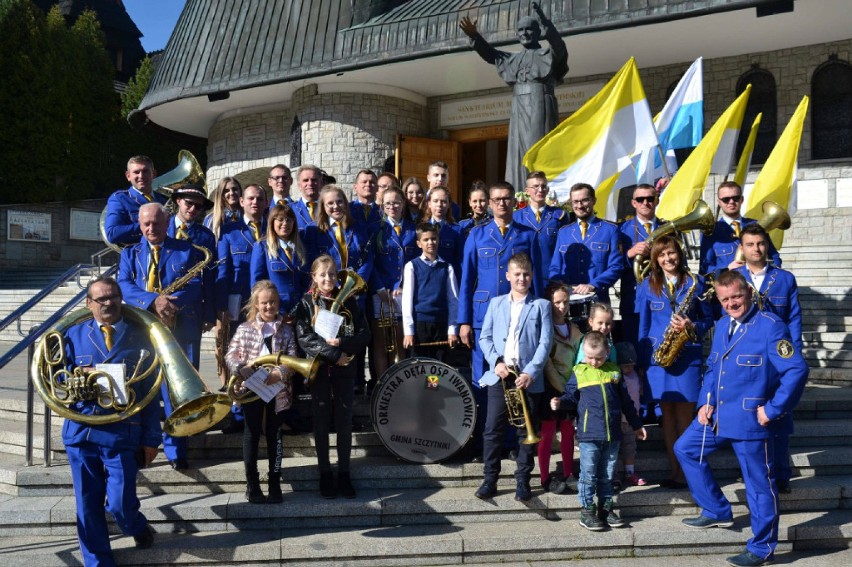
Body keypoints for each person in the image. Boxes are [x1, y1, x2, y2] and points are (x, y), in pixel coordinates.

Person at [674, 270, 808, 567]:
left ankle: (762, 547)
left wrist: (773, 410)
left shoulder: (771, 327)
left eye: (736, 296)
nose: (732, 303)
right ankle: (716, 510)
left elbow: (796, 370)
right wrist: (704, 403)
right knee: (685, 449)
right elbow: (712, 368)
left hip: (752, 420)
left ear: (748, 291)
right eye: (725, 299)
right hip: (719, 414)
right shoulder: (722, 326)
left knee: (759, 485)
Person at [61, 276, 159, 565]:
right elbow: (55, 383)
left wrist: (151, 439)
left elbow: (152, 394)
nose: (108, 303)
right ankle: (98, 562)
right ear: (88, 304)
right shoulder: (71, 335)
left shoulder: (142, 335)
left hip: (122, 433)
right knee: (88, 506)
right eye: (101, 299)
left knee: (120, 504)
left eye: (113, 296)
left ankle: (136, 525)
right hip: (82, 432)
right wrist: (81, 378)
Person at [118, 202, 207, 470]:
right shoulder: (130, 253)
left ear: (167, 223)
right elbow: (124, 284)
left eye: (156, 223)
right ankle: (142, 446)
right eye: (145, 224)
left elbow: (196, 284)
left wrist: (170, 305)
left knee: (175, 392)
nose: (150, 228)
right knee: (142, 389)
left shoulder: (187, 250)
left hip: (177, 328)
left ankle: (176, 451)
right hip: (140, 329)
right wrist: (153, 301)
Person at [458, 182, 537, 453]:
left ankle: (513, 442)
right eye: (497, 199)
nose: (502, 204)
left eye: (506, 199)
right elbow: (467, 280)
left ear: (515, 202)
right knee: (485, 379)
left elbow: (537, 278)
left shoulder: (527, 235)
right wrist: (464, 321)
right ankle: (484, 442)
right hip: (483, 320)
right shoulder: (477, 236)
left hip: (519, 315)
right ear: (489, 204)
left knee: (515, 377)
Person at [459, 2, 568, 193]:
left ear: (537, 32)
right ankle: (519, 196)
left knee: (537, 152)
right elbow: (492, 55)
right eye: (521, 30)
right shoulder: (513, 59)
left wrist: (546, 23)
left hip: (540, 105)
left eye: (529, 29)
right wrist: (475, 36)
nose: (524, 33)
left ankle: (541, 194)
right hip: (519, 108)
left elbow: (560, 48)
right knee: (517, 156)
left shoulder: (547, 55)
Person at [476, 253, 553, 502]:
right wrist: (496, 362)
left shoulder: (542, 305)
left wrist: (531, 371)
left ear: (532, 276)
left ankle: (523, 480)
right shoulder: (496, 303)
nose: (522, 279)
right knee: (492, 430)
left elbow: (545, 342)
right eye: (517, 274)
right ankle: (490, 479)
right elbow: (484, 338)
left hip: (528, 378)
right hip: (501, 375)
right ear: (508, 276)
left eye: (526, 274)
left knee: (525, 432)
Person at [636, 235, 712, 488]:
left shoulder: (696, 283)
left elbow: (708, 320)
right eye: (662, 255)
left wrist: (691, 325)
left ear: (679, 254)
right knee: (667, 417)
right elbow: (643, 326)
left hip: (686, 356)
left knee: (686, 418)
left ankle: (690, 472)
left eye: (671, 253)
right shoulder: (647, 285)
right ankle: (675, 470)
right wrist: (643, 361)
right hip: (660, 359)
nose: (668, 259)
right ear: (656, 260)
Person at [551, 332, 647, 531]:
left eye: (599, 358)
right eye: (589, 357)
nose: (594, 362)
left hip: (612, 434)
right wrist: (559, 402)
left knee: (608, 474)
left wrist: (636, 425)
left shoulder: (614, 372)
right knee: (588, 474)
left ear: (608, 353)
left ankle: (605, 508)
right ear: (583, 353)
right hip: (589, 434)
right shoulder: (579, 372)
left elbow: (627, 402)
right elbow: (571, 398)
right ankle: (587, 511)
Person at [293, 256, 370, 499]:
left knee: (345, 422)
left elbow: (364, 334)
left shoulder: (350, 302)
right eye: (323, 274)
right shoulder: (306, 302)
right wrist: (334, 353)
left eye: (332, 274)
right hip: (319, 369)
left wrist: (343, 343)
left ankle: (344, 474)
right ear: (314, 277)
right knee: (321, 421)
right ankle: (325, 473)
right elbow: (304, 338)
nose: (328, 279)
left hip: (345, 369)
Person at [735, 223, 803, 493]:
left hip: (777, 358)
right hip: (747, 358)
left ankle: (780, 473)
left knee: (780, 414)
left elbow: (794, 318)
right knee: (749, 415)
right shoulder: (735, 276)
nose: (756, 249)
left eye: (761, 243)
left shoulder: (784, 279)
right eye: (750, 244)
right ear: (742, 248)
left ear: (768, 245)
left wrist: (794, 353)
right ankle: (755, 472)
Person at [226, 280, 297, 504]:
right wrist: (241, 368)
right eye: (264, 303)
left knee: (275, 435)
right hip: (251, 390)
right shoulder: (244, 329)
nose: (269, 307)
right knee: (252, 434)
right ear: (256, 304)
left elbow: (293, 357)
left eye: (273, 302)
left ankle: (274, 482)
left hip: (277, 390)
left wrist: (280, 373)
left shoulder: (286, 330)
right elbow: (230, 355)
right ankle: (252, 484)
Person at [216, 184, 269, 433]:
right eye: (250, 198)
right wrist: (222, 305)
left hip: (268, 306)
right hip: (239, 304)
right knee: (240, 357)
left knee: (266, 356)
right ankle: (238, 411)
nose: (255, 202)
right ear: (242, 202)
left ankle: (265, 406)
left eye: (259, 198)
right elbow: (224, 271)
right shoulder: (228, 231)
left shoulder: (274, 226)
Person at [369, 187, 418, 377]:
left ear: (403, 204)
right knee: (381, 343)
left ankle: (399, 383)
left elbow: (416, 263)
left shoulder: (413, 229)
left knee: (400, 342)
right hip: (380, 292)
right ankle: (382, 383)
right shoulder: (375, 229)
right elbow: (370, 262)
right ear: (382, 205)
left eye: (396, 202)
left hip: (404, 293)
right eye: (388, 203)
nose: (392, 206)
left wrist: (406, 285)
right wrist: (380, 287)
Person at [549, 183, 624, 305]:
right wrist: (558, 284)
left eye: (584, 201)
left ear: (594, 201)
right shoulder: (564, 232)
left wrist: (593, 285)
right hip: (568, 304)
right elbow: (555, 267)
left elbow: (616, 267)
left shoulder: (610, 230)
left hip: (598, 302)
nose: (580, 206)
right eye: (576, 202)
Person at [539, 281, 582, 494]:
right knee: (547, 432)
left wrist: (571, 387)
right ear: (550, 303)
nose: (562, 306)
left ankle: (568, 472)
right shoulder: (544, 328)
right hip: (550, 385)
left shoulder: (574, 330)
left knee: (567, 431)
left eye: (565, 302)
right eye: (557, 302)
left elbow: (580, 358)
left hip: (571, 386)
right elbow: (545, 360)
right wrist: (561, 386)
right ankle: (545, 477)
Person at [401, 223, 460, 361]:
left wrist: (452, 330)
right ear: (419, 243)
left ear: (438, 240)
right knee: (420, 366)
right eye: (426, 240)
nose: (430, 242)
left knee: (439, 367)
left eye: (433, 239)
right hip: (420, 324)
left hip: (441, 323)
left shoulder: (447, 267)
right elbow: (407, 300)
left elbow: (453, 300)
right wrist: (409, 332)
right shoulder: (412, 266)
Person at [699, 181, 781, 278]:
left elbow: (774, 258)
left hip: (758, 284)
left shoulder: (757, 225)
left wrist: (770, 275)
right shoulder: (710, 231)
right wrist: (726, 269)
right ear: (719, 202)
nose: (731, 202)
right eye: (726, 199)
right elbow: (705, 268)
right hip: (728, 286)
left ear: (742, 199)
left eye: (736, 198)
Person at [618, 183, 664, 344]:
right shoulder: (621, 230)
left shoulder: (668, 228)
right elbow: (613, 265)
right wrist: (630, 253)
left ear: (657, 200)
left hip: (663, 296)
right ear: (633, 203)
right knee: (634, 348)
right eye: (640, 199)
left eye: (650, 198)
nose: (645, 202)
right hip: (634, 298)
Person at [249, 203, 309, 315]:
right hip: (273, 311)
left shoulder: (301, 248)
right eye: (280, 219)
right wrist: (276, 311)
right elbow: (256, 284)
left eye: (289, 220)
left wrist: (302, 307)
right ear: (272, 222)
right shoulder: (262, 247)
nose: (285, 223)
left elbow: (306, 282)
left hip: (300, 311)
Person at [513, 171, 568, 294]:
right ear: (527, 191)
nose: (540, 190)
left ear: (548, 190)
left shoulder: (559, 215)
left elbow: (564, 248)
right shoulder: (517, 217)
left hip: (552, 277)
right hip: (525, 278)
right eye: (536, 186)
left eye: (543, 186)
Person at [104, 155, 168, 247]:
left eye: (145, 171)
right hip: (136, 256)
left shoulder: (163, 200)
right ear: (128, 176)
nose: (141, 176)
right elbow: (112, 234)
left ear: (153, 174)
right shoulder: (120, 199)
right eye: (136, 172)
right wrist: (151, 224)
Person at [614, 342, 647, 488]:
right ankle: (613, 474)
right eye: (626, 366)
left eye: (632, 365)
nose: (630, 369)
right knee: (613, 449)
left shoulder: (635, 376)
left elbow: (639, 393)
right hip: (616, 420)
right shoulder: (616, 378)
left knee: (630, 447)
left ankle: (629, 473)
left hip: (631, 420)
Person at [424, 185, 464, 277]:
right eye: (435, 201)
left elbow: (461, 261)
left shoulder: (457, 230)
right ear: (429, 203)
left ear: (449, 204)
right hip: (427, 281)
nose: (439, 204)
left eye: (443, 201)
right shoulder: (421, 228)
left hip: (449, 280)